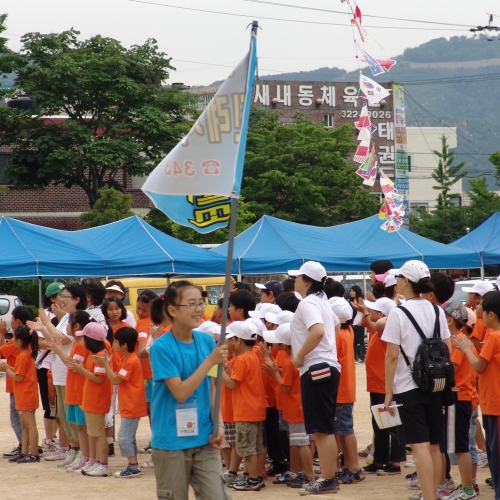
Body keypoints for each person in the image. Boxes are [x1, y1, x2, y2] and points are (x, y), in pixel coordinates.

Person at [149, 280, 230, 500]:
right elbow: (181, 393)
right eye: (192, 304)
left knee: (217, 496)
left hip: (205, 438)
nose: (199, 309)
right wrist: (209, 361)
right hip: (171, 442)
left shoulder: (205, 341)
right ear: (173, 310)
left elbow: (211, 387)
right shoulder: (160, 347)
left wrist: (219, 422)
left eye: (201, 303)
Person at [382, 260, 452, 500]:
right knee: (434, 444)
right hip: (436, 384)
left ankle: (428, 496)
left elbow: (391, 356)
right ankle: (434, 493)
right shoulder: (436, 310)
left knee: (419, 445)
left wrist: (388, 390)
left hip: (407, 385)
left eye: (399, 277)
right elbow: (447, 347)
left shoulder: (398, 313)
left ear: (405, 281)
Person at [288, 261, 341, 495]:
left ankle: (328, 478)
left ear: (307, 281)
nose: (295, 280)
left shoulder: (308, 302)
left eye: (298, 277)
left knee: (321, 428)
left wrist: (299, 355)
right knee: (323, 426)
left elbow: (318, 330)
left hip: (316, 367)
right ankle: (328, 477)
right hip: (326, 365)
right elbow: (335, 327)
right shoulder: (322, 302)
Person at [32, 283, 88, 467]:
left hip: (69, 372)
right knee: (65, 417)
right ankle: (73, 450)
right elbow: (53, 341)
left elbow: (63, 339)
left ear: (77, 300)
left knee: (74, 417)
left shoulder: (77, 318)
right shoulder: (64, 318)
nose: (61, 300)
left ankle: (81, 452)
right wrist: (43, 329)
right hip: (60, 373)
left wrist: (47, 324)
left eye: (65, 296)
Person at [453, 291, 500, 500]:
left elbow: (479, 366)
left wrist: (466, 348)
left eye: (482, 307)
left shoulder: (494, 336)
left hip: (495, 404)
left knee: (496, 456)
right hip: (492, 403)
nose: (478, 309)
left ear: (492, 315)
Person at [263, 322, 315, 488]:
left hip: (295, 408)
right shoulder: (296, 356)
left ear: (284, 345)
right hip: (302, 405)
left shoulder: (288, 360)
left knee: (301, 443)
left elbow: (285, 386)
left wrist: (274, 373)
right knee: (304, 442)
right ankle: (306, 472)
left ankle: (308, 474)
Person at [93, 326, 148, 478]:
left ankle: (133, 466)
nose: (113, 344)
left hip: (132, 404)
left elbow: (115, 379)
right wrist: (108, 363)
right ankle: (133, 464)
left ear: (124, 344)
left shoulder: (130, 361)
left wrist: (105, 364)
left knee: (124, 437)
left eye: (116, 341)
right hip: (129, 404)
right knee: (128, 436)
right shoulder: (127, 359)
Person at [361, 298, 405, 476]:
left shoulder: (384, 326)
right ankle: (380, 459)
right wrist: (367, 312)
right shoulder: (376, 330)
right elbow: (369, 322)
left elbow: (379, 323)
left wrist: (391, 312)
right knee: (378, 425)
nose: (368, 312)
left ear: (381, 314)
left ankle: (395, 462)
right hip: (376, 383)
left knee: (391, 424)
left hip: (384, 383)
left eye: (373, 310)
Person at [222, 321, 267, 492]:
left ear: (238, 340)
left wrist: (220, 371)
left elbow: (232, 384)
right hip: (254, 410)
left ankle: (253, 479)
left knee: (247, 449)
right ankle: (252, 477)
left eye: (232, 340)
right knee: (253, 447)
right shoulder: (252, 357)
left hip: (245, 411)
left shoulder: (242, 359)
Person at [48, 311, 93, 473]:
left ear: (77, 327)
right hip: (74, 391)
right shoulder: (77, 344)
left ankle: (86, 456)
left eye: (68, 323)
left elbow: (73, 365)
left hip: (80, 392)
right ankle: (79, 454)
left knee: (82, 426)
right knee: (77, 425)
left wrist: (59, 351)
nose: (65, 326)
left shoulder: (81, 345)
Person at [440, 301, 476, 500]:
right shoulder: (460, 339)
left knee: (460, 447)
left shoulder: (457, 341)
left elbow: (450, 371)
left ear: (450, 319)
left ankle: (467, 488)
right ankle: (465, 487)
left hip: (458, 397)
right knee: (458, 445)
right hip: (462, 397)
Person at [69, 322, 113, 477]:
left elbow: (99, 379)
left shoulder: (101, 355)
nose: (81, 341)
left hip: (97, 400)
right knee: (94, 433)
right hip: (90, 399)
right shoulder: (95, 355)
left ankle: (103, 465)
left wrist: (81, 370)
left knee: (98, 433)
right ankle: (97, 462)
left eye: (84, 338)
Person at [329, 297, 365, 484]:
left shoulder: (338, 336)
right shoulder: (348, 330)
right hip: (345, 388)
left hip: (340, 390)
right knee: (343, 429)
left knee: (343, 430)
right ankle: (349, 466)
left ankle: (352, 466)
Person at [0, 325, 40, 463]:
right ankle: (25, 452)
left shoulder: (23, 355)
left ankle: (33, 453)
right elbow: (19, 372)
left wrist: (6, 369)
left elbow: (18, 377)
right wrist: (8, 368)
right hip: (23, 395)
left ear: (19, 341)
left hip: (26, 394)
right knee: (24, 425)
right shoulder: (26, 353)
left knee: (30, 425)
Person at [349, 285, 366, 363]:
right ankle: (355, 357)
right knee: (354, 342)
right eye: (350, 291)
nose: (351, 293)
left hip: (359, 323)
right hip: (353, 324)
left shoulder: (361, 300)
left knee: (361, 341)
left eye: (353, 291)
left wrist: (356, 305)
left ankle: (361, 357)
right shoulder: (350, 302)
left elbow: (363, 311)